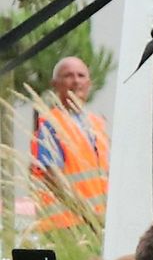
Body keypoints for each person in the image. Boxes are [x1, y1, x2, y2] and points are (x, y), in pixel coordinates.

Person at [31, 54, 110, 231]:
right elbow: (53, 179)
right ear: (55, 84)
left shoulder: (98, 124)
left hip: (98, 224)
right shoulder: (50, 124)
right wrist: (88, 214)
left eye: (81, 75)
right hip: (65, 226)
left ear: (89, 83)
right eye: (68, 76)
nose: (76, 81)